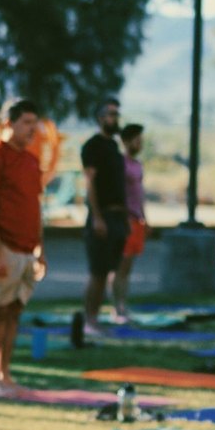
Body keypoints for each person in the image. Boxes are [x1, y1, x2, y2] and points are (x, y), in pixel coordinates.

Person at [0, 99, 46, 396]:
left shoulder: (30, 160)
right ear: (8, 123)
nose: (32, 129)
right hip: (2, 244)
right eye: (26, 122)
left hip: (27, 248)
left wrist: (40, 248)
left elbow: (36, 206)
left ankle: (5, 374)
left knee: (14, 310)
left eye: (34, 123)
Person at [80, 98, 129, 336]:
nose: (115, 118)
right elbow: (90, 183)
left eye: (117, 114)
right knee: (98, 272)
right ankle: (89, 320)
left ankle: (100, 317)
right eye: (111, 114)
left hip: (119, 217)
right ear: (100, 118)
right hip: (103, 216)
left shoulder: (114, 147)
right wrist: (97, 217)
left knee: (111, 270)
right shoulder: (93, 146)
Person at [113, 122, 147, 323]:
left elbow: (140, 194)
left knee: (128, 267)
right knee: (120, 266)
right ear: (126, 141)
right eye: (137, 140)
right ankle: (118, 308)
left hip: (137, 220)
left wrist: (145, 217)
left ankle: (123, 305)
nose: (140, 144)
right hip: (125, 220)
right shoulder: (120, 164)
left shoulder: (138, 164)